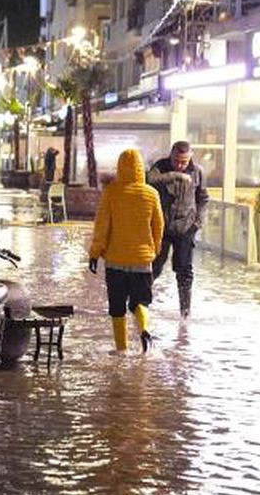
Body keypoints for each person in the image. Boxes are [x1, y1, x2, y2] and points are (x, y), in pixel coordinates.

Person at [88, 148, 164, 354]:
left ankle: (121, 350)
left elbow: (102, 226)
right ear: (141, 169)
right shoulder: (151, 194)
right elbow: (159, 227)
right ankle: (144, 328)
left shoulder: (111, 192)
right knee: (141, 301)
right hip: (142, 260)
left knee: (117, 306)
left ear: (120, 167)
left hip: (115, 260)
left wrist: (95, 253)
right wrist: (153, 251)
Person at [147, 140, 209, 318]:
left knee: (184, 270)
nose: (181, 165)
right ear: (171, 155)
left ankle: (185, 312)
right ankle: (140, 303)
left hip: (186, 227)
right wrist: (175, 175)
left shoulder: (197, 171)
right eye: (177, 161)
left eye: (184, 162)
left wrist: (198, 222)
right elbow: (150, 180)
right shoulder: (160, 166)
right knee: (154, 266)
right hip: (162, 226)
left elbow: (203, 198)